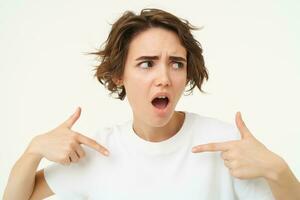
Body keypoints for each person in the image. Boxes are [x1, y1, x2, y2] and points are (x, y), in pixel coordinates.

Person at [3, 8, 300, 200]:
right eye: (147, 64)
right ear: (119, 75)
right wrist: (33, 151)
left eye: (176, 64)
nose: (164, 78)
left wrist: (278, 170)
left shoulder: (225, 144)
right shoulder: (98, 151)